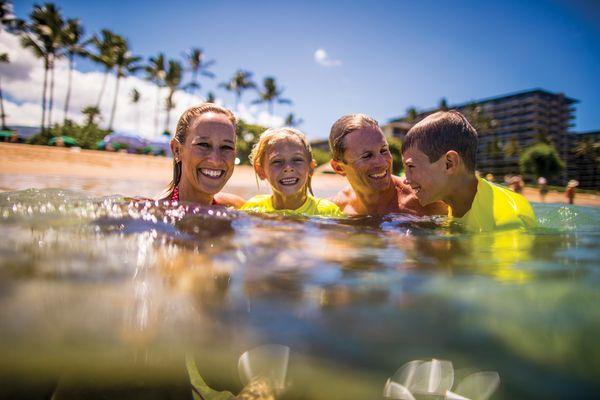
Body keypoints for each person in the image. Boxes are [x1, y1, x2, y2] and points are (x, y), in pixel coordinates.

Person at [401, 110, 537, 232]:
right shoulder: (452, 207)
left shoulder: (505, 223)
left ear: (450, 163)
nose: (406, 179)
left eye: (411, 167)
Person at [328, 114, 447, 216]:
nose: (383, 163)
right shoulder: (337, 208)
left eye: (384, 150)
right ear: (339, 168)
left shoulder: (426, 202)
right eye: (367, 156)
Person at [241, 127, 342, 217]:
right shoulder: (253, 209)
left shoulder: (328, 212)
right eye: (277, 161)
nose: (288, 168)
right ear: (261, 171)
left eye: (297, 160)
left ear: (311, 168)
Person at [160, 103, 245, 207]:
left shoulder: (236, 207)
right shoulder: (151, 216)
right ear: (177, 150)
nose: (215, 160)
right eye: (203, 145)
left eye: (226, 147)